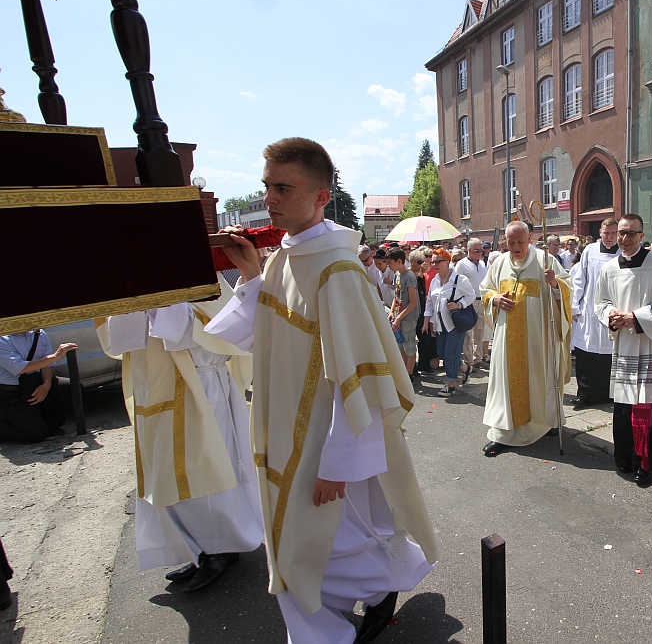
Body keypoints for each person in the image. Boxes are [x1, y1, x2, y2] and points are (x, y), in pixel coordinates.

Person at [206, 137, 437, 644]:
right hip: (285, 432)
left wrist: (339, 464)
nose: (270, 198)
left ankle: (345, 618)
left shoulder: (337, 269)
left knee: (315, 549)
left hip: (322, 444)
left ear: (319, 194)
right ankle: (374, 595)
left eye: (283, 187)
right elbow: (264, 336)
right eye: (267, 186)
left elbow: (359, 376)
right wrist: (250, 273)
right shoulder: (282, 259)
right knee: (309, 546)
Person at [97, 294, 263, 594]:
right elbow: (115, 341)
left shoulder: (198, 277)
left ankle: (222, 548)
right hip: (154, 389)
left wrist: (163, 305)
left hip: (200, 387)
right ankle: (200, 548)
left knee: (207, 472)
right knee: (169, 476)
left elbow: (217, 331)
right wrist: (138, 306)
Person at [595, 215, 652, 487]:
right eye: (621, 233)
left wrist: (635, 318)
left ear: (641, 235)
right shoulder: (609, 267)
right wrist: (612, 315)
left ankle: (648, 462)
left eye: (631, 233)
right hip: (626, 345)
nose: (624, 238)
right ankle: (624, 457)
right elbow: (600, 302)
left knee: (651, 406)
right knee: (623, 406)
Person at [480, 221, 572, 457]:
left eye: (520, 241)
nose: (516, 247)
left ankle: (547, 421)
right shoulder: (500, 262)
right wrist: (494, 299)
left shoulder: (545, 260)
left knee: (539, 379)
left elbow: (566, 288)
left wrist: (554, 283)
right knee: (505, 385)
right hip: (506, 338)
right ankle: (504, 434)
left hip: (537, 340)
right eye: (511, 243)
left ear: (530, 238)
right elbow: (485, 289)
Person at [569, 217, 620, 407]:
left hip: (612, 310)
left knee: (610, 357)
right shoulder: (590, 251)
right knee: (586, 354)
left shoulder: (623, 253)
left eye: (613, 233)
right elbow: (579, 279)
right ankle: (585, 394)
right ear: (600, 233)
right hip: (589, 311)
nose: (609, 237)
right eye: (606, 233)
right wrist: (575, 306)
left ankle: (610, 393)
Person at [0, 330, 74, 443]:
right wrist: (56, 356)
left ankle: (48, 426)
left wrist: (46, 384)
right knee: (35, 435)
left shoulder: (38, 333)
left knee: (71, 386)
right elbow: (20, 368)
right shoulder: (3, 338)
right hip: (12, 392)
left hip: (32, 382)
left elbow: (46, 364)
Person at [425, 249, 475, 397]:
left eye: (438, 261)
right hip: (440, 324)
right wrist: (427, 320)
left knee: (449, 353)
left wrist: (459, 305)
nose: (435, 264)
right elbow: (429, 302)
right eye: (433, 261)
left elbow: (471, 295)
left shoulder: (460, 280)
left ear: (447, 262)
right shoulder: (434, 281)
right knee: (441, 353)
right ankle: (465, 369)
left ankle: (451, 383)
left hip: (455, 323)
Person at [454, 238, 489, 371]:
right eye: (477, 250)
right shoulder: (462, 265)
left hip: (481, 300)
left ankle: (478, 358)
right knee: (468, 333)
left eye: (482, 250)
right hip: (468, 301)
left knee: (479, 331)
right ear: (469, 251)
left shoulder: (482, 264)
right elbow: (456, 283)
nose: (480, 253)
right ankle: (468, 361)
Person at [387, 248, 420, 381]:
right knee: (400, 345)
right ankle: (404, 372)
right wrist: (391, 311)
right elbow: (397, 296)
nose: (388, 265)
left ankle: (409, 374)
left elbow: (413, 303)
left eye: (390, 262)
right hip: (398, 317)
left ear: (399, 261)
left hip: (408, 318)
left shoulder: (409, 276)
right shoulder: (397, 275)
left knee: (409, 346)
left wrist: (399, 318)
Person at [409, 250, 438, 374]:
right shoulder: (409, 273)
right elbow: (414, 287)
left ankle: (423, 364)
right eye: (420, 261)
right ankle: (412, 368)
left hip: (423, 309)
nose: (423, 263)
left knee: (424, 339)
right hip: (413, 311)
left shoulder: (423, 273)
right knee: (412, 341)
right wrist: (421, 273)